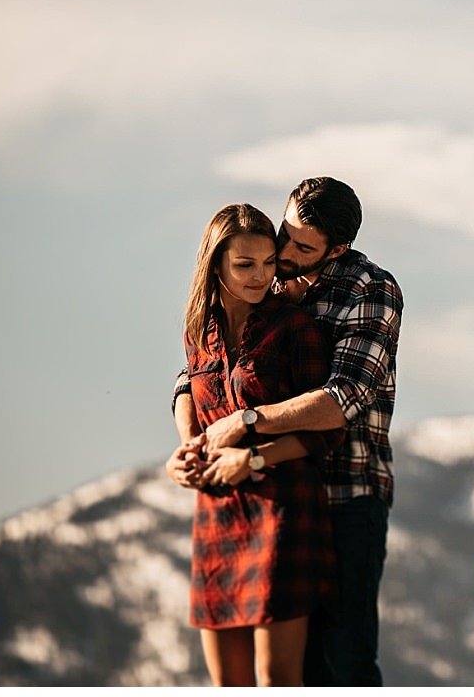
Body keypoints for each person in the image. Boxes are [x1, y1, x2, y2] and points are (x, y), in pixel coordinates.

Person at [170, 177, 403, 686]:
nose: (282, 252)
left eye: (301, 247)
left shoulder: (370, 288)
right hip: (259, 495)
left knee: (344, 660)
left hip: (346, 491)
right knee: (306, 670)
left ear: (336, 249)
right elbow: (194, 374)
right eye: (286, 233)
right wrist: (188, 444)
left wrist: (245, 425)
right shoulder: (264, 279)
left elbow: (340, 401)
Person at [167, 203, 343, 686]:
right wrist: (186, 450)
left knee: (276, 681)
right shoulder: (198, 334)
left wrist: (254, 457)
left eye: (268, 263)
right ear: (215, 264)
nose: (261, 276)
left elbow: (326, 430)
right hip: (216, 515)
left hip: (281, 511)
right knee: (227, 685)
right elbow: (189, 391)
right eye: (245, 265)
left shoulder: (296, 328)